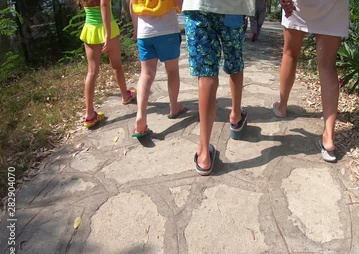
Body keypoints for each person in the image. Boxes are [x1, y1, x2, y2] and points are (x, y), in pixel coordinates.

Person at [182, 0, 255, 175]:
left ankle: (204, 155)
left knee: (206, 73)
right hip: (233, 9)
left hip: (198, 8)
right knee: (235, 61)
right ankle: (236, 116)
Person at [272, 0, 349, 162]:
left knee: (290, 54)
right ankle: (328, 137)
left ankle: (282, 106)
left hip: (300, 4)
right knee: (328, 66)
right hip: (334, 5)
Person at [129, 0, 186, 138]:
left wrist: (136, 29)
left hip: (144, 32)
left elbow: (131, 4)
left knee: (146, 74)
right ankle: (173, 108)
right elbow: (179, 5)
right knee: (172, 71)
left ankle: (141, 116)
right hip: (168, 29)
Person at [79, 0, 137, 128]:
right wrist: (107, 33)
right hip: (107, 28)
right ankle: (125, 96)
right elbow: (104, 4)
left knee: (92, 71)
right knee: (116, 65)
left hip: (91, 28)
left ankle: (89, 114)